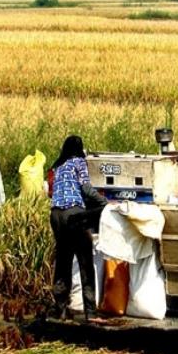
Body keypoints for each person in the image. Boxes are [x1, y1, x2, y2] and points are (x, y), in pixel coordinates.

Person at [49, 135, 105, 322]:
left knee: (63, 260)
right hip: (74, 214)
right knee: (85, 260)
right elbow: (87, 189)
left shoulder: (58, 166)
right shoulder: (78, 162)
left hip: (56, 215)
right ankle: (91, 313)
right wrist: (105, 203)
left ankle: (61, 310)